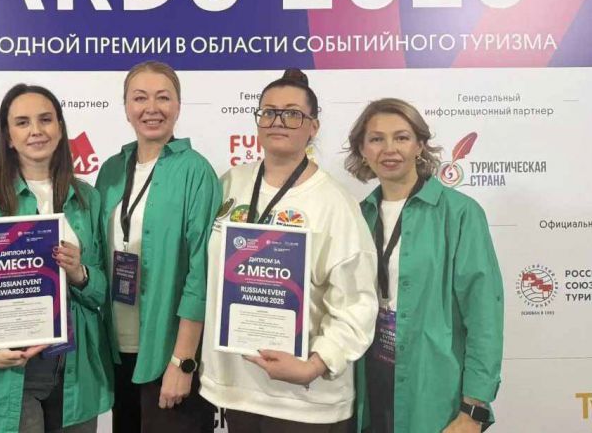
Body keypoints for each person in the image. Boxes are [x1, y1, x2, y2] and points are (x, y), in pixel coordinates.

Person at [200, 69, 378, 432]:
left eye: (292, 114)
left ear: (313, 126)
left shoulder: (334, 202)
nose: (278, 121)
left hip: (304, 399)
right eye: (269, 112)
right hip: (237, 388)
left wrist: (315, 364)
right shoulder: (230, 183)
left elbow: (357, 302)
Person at [0, 84, 112, 433]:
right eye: (22, 122)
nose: (36, 130)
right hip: (7, 369)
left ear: (60, 128)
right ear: (8, 137)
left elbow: (101, 289)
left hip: (74, 372)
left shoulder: (88, 199)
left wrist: (80, 273)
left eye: (45, 120)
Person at [345, 98, 503, 433]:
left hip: (434, 386)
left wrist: (473, 408)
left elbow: (484, 315)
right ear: (362, 149)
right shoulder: (357, 215)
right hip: (366, 382)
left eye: (401, 137)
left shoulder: (460, 214)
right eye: (376, 139)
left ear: (419, 145)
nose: (389, 149)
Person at [95, 61, 222, 433]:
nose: (152, 108)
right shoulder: (111, 170)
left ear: (178, 106)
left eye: (163, 98)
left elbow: (201, 273)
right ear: (126, 108)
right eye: (140, 98)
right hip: (117, 351)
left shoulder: (196, 171)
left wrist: (183, 362)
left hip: (169, 351)